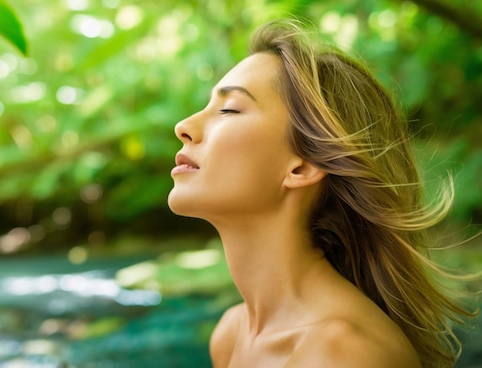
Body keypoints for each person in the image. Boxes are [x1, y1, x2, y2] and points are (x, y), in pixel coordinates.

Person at [167, 19, 476, 367]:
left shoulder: (345, 354)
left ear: (302, 167)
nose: (184, 126)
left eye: (229, 109)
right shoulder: (230, 337)